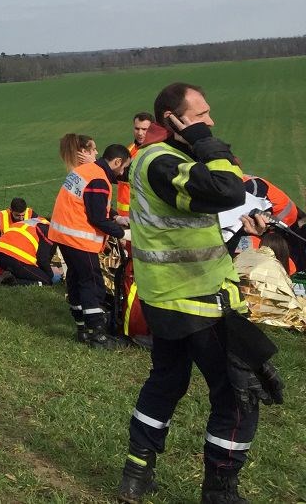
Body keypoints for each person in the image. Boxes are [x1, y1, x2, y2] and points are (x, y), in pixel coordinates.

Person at [116, 83, 283, 503]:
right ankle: (220, 492)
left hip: (166, 299)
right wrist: (206, 143)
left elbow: (191, 227)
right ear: (172, 120)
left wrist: (237, 229)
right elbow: (229, 190)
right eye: (200, 114)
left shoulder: (160, 161)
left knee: (166, 382)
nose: (209, 121)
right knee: (238, 397)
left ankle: (136, 473)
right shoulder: (162, 160)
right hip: (200, 302)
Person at [48, 135, 130, 348]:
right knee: (92, 284)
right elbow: (96, 217)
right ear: (117, 162)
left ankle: (82, 328)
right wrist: (124, 234)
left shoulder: (84, 171)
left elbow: (90, 203)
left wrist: (116, 216)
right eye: (123, 169)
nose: (121, 174)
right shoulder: (99, 179)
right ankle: (98, 335)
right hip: (79, 239)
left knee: (75, 280)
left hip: (63, 236)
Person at [0, 215, 58, 286]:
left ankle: (11, 273)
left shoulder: (35, 221)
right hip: (16, 259)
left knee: (30, 272)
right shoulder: (49, 230)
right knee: (46, 281)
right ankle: (12, 281)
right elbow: (42, 258)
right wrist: (50, 274)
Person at [115, 112, 154, 219]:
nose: (140, 133)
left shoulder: (152, 151)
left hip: (141, 214)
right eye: (137, 129)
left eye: (144, 129)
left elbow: (127, 174)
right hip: (125, 214)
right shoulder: (132, 147)